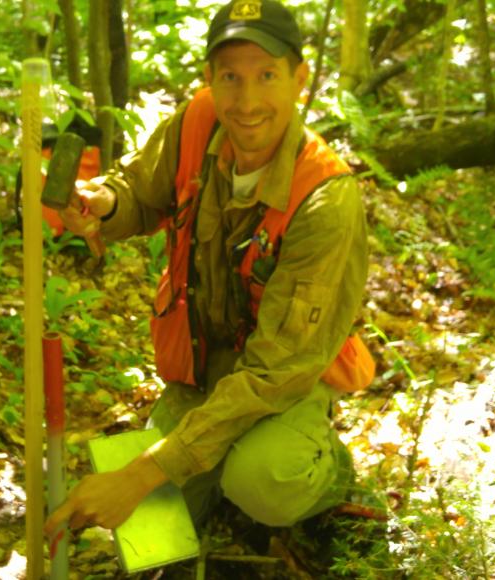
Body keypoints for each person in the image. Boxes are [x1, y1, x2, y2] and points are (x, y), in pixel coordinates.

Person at [44, 0, 370, 539]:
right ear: (211, 80)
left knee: (264, 478)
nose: (247, 101)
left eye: (267, 76)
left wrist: (144, 473)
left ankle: (333, 473)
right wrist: (104, 203)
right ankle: (213, 471)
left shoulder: (325, 199)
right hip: (206, 370)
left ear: (299, 79)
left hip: (284, 378)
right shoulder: (197, 121)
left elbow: (275, 373)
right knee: (149, 529)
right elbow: (141, 192)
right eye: (231, 78)